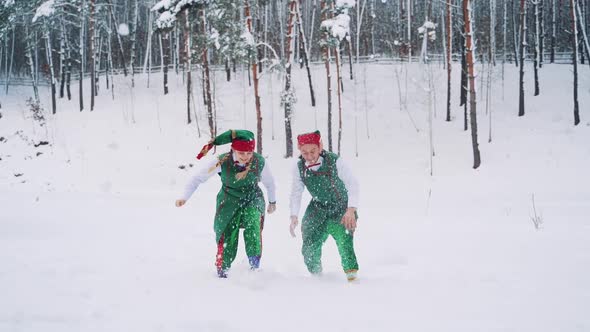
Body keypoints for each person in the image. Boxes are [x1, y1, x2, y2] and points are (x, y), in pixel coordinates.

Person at [176, 129, 276, 278]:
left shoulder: (259, 161)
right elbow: (198, 178)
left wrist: (272, 201)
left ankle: (254, 265)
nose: (246, 157)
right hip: (229, 199)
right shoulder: (221, 161)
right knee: (227, 231)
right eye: (241, 153)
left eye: (249, 153)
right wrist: (184, 197)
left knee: (252, 222)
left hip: (252, 197)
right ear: (233, 149)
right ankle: (223, 269)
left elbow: (269, 182)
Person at [289, 130, 360, 282]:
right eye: (304, 152)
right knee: (309, 243)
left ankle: (352, 277)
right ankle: (317, 278)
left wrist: (351, 210)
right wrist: (294, 215)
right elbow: (296, 192)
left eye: (312, 151)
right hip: (318, 208)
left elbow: (353, 184)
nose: (309, 156)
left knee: (344, 239)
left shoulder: (335, 161)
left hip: (341, 207)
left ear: (320, 146)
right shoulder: (299, 167)